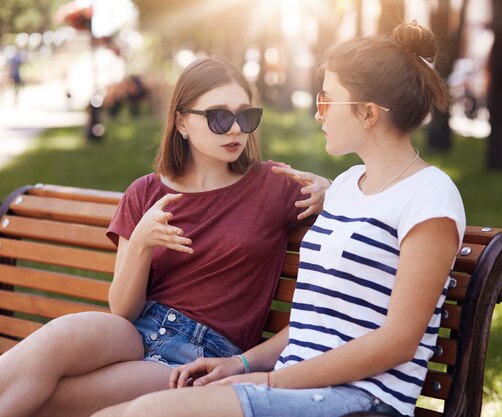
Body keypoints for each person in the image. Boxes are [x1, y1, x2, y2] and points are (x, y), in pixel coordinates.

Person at [92, 21, 466, 417]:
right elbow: (313, 320)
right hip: (292, 386)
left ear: (368, 113)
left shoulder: (430, 196)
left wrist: (267, 381)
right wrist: (241, 365)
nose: (317, 112)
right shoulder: (345, 187)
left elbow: (398, 342)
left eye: (327, 101)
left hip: (359, 401)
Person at [0, 56, 330, 417]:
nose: (236, 129)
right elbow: (123, 311)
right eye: (219, 117)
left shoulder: (274, 186)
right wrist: (141, 242)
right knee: (53, 343)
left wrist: (332, 189)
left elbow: (363, 209)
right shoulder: (144, 192)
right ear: (182, 122)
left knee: (51, 396)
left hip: (199, 358)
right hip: (134, 330)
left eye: (246, 116)